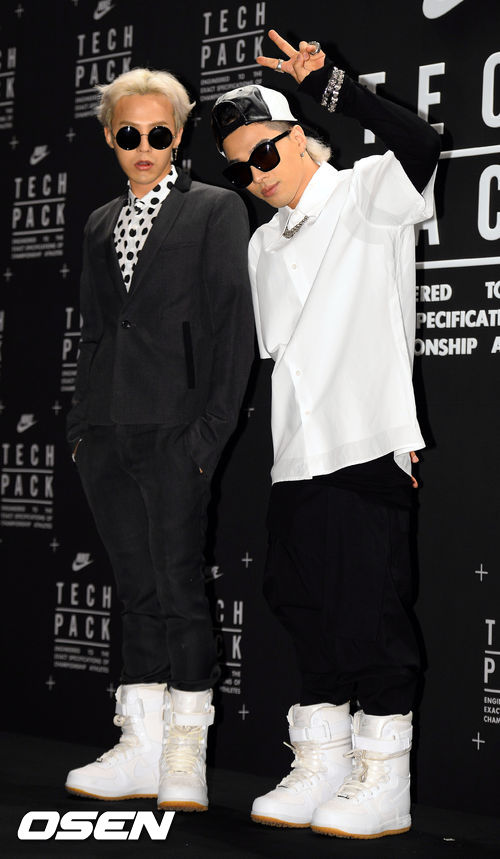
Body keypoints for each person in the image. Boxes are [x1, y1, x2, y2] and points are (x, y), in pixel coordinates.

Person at [211, 29, 440, 839]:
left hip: (366, 440)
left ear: (300, 135)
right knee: (305, 608)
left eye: (264, 153)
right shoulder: (260, 245)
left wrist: (334, 86)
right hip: (294, 456)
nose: (256, 175)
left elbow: (421, 144)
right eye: (239, 169)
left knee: (370, 614)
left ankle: (385, 782)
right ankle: (325, 764)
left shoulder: (366, 192)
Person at [65, 67, 253, 812]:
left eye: (159, 133)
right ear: (111, 139)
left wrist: (208, 435)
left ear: (177, 135)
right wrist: (81, 428)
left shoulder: (215, 208)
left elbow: (233, 329)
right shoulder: (98, 222)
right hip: (105, 433)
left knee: (179, 588)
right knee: (136, 589)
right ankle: (140, 744)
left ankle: (185, 753)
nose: (144, 147)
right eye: (129, 134)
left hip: (178, 432)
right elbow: (94, 329)